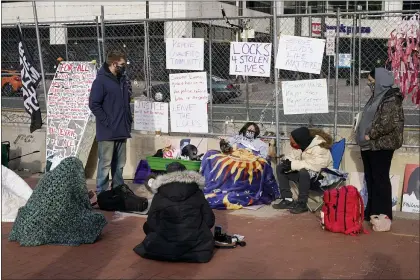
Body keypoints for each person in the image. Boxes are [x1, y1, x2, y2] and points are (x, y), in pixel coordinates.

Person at [9, 157, 107, 246]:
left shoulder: (47, 177)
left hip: (26, 222)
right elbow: (74, 204)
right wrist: (86, 197)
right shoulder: (68, 183)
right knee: (96, 219)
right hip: (45, 224)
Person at [133, 162, 215, 263]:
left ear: (166, 175)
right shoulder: (197, 191)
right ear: (185, 173)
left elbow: (151, 221)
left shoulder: (159, 193)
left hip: (163, 245)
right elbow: (209, 220)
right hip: (195, 246)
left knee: (148, 227)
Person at [356, 67, 404, 221]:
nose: (369, 84)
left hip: (381, 146)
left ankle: (383, 214)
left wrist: (370, 135)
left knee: (380, 179)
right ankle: (371, 211)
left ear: (380, 82)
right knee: (370, 179)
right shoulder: (376, 97)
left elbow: (387, 124)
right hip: (369, 146)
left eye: (371, 81)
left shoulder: (390, 99)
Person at [89, 50, 133, 193]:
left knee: (120, 164)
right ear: (114, 64)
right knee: (105, 164)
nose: (124, 66)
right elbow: (94, 104)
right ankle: (102, 192)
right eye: (121, 64)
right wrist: (107, 121)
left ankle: (118, 189)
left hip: (122, 128)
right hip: (108, 131)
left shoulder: (123, 79)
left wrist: (128, 120)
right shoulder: (101, 81)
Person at [272, 127, 333, 214]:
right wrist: (287, 162)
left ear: (300, 141)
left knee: (304, 172)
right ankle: (287, 199)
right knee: (281, 168)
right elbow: (293, 156)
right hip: (306, 177)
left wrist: (292, 165)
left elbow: (316, 166)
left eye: (293, 142)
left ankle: (302, 203)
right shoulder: (303, 145)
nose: (292, 144)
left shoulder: (320, 148)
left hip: (320, 178)